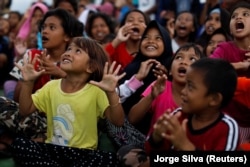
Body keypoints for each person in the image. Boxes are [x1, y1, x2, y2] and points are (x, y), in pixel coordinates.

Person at [4, 37, 125, 166]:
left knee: (113, 160)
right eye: (69, 49)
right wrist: (28, 82)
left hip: (82, 154)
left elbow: (118, 121)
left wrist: (111, 93)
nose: (68, 53)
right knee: (20, 145)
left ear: (90, 67)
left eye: (77, 51)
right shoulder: (51, 86)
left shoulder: (96, 91)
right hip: (53, 150)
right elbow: (25, 110)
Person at [0, 8, 84, 151]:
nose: (44, 31)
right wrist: (27, 80)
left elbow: (83, 102)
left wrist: (61, 74)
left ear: (67, 36)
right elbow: (18, 104)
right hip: (32, 119)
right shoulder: (32, 55)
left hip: (63, 124)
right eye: (43, 27)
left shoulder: (77, 61)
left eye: (52, 27)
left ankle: (15, 142)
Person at [117, 43, 205, 167]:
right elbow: (132, 119)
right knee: (127, 155)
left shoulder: (201, 96)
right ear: (169, 70)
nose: (184, 62)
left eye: (192, 59)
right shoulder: (160, 85)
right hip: (153, 148)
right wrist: (151, 96)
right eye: (179, 57)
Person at [146, 58, 239, 154]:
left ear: (214, 99)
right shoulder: (178, 116)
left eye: (190, 86)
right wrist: (156, 138)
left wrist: (186, 147)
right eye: (185, 85)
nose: (183, 91)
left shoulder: (227, 128)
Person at [209, 1, 250, 143]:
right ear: (230, 30)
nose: (239, 18)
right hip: (228, 119)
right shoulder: (224, 48)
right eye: (234, 16)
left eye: (246, 15)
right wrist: (241, 65)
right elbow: (208, 69)